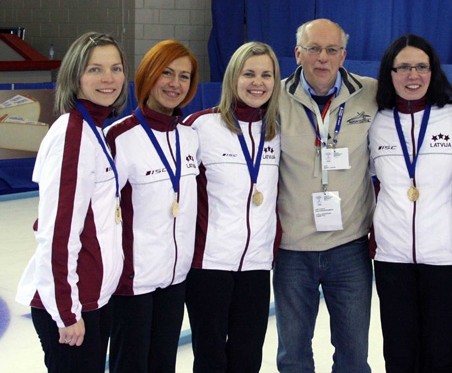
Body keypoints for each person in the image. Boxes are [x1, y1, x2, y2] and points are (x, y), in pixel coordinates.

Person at [15, 32, 128, 373]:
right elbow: (57, 231)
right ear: (75, 76)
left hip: (92, 297)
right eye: (95, 69)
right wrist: (66, 311)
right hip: (71, 304)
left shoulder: (94, 129)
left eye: (116, 68)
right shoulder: (73, 135)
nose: (108, 78)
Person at [274, 18, 377, 372]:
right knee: (293, 356)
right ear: (297, 53)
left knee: (353, 356)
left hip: (349, 247)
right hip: (293, 250)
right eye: (314, 49)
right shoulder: (274, 97)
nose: (323, 57)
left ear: (343, 55)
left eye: (332, 50)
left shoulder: (370, 93)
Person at [368, 34, 452, 372]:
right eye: (403, 68)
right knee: (399, 350)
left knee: (443, 351)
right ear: (389, 73)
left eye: (421, 67)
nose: (413, 76)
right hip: (392, 257)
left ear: (433, 71)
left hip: (445, 256)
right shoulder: (376, 121)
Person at [183, 41, 281, 372]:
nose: (258, 83)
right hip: (209, 265)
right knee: (210, 358)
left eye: (266, 75)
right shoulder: (200, 126)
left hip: (256, 264)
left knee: (248, 357)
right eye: (249, 74)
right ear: (233, 78)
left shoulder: (277, 131)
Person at [104, 40, 200, 373]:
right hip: (133, 282)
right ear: (148, 76)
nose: (175, 84)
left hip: (175, 278)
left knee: (163, 364)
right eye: (166, 73)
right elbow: (99, 211)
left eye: (184, 76)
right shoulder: (119, 137)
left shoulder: (189, 137)